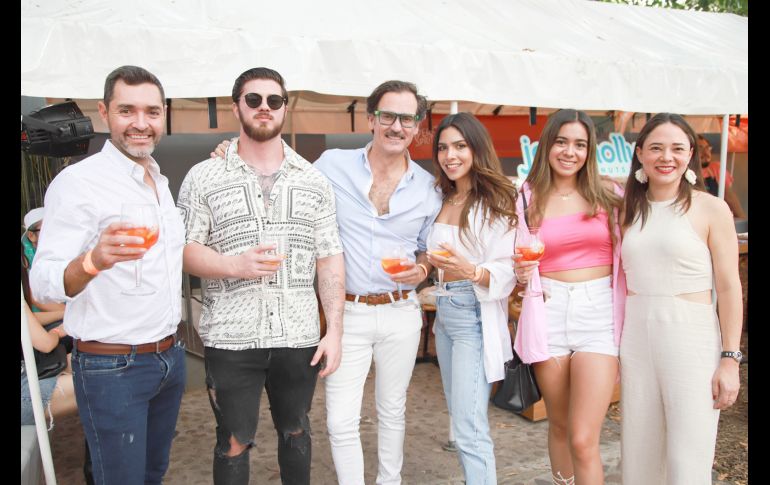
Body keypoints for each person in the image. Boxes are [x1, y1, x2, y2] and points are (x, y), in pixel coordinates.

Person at [213, 79, 441, 484]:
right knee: (340, 420)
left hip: (401, 311)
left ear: (418, 125)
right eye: (388, 115)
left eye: (407, 118)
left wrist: (422, 270)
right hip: (347, 313)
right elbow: (277, 164)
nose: (396, 126)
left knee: (392, 411)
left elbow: (428, 249)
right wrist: (228, 150)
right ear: (371, 119)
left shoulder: (427, 188)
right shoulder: (331, 165)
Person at [179, 67, 345, 485]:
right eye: (254, 99)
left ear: (285, 108)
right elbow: (183, 249)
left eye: (274, 100)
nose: (264, 108)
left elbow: (329, 259)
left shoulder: (314, 180)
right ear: (236, 106)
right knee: (233, 442)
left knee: (297, 433)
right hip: (231, 337)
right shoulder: (204, 176)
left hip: (298, 334)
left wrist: (335, 332)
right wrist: (235, 265)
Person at [30, 65, 187, 485]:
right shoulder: (77, 183)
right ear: (104, 113)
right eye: (127, 110)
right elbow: (43, 281)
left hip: (169, 359)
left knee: (153, 474)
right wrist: (91, 262)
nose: (141, 123)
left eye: (152, 112)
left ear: (164, 115)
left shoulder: (159, 179)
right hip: (113, 366)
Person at [620, 113, 742, 484]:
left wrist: (730, 358)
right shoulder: (627, 209)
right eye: (656, 147)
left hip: (690, 335)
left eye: (677, 148)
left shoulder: (710, 208)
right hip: (637, 336)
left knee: (688, 455)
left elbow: (729, 287)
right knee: (639, 452)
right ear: (640, 153)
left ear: (690, 154)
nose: (666, 157)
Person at [513, 109, 625, 485]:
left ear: (590, 150)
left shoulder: (610, 194)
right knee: (558, 425)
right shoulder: (527, 196)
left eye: (580, 144)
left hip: (599, 315)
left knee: (583, 437)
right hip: (548, 310)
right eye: (562, 141)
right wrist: (518, 271)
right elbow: (513, 254)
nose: (569, 152)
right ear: (548, 145)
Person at [424, 112, 517, 484]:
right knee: (460, 416)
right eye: (444, 147)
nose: (451, 155)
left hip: (472, 312)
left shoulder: (496, 199)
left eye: (460, 146)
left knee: (468, 427)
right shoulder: (442, 195)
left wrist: (472, 272)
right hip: (444, 309)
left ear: (477, 148)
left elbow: (507, 267)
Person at [21, 301, 76, 429]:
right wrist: (56, 332)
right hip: (25, 384)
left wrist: (67, 313)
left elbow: (30, 318)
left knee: (101, 363)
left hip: (28, 370)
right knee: (105, 377)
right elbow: (45, 344)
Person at [21, 207, 66, 327]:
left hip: (62, 312)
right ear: (31, 236)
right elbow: (34, 296)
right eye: (47, 229)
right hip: (40, 321)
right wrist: (70, 313)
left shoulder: (63, 251)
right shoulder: (24, 259)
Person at [696, 134, 746, 218]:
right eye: (700, 148)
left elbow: (730, 197)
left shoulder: (716, 168)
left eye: (708, 148)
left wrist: (743, 222)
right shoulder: (683, 171)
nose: (706, 152)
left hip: (717, 217)